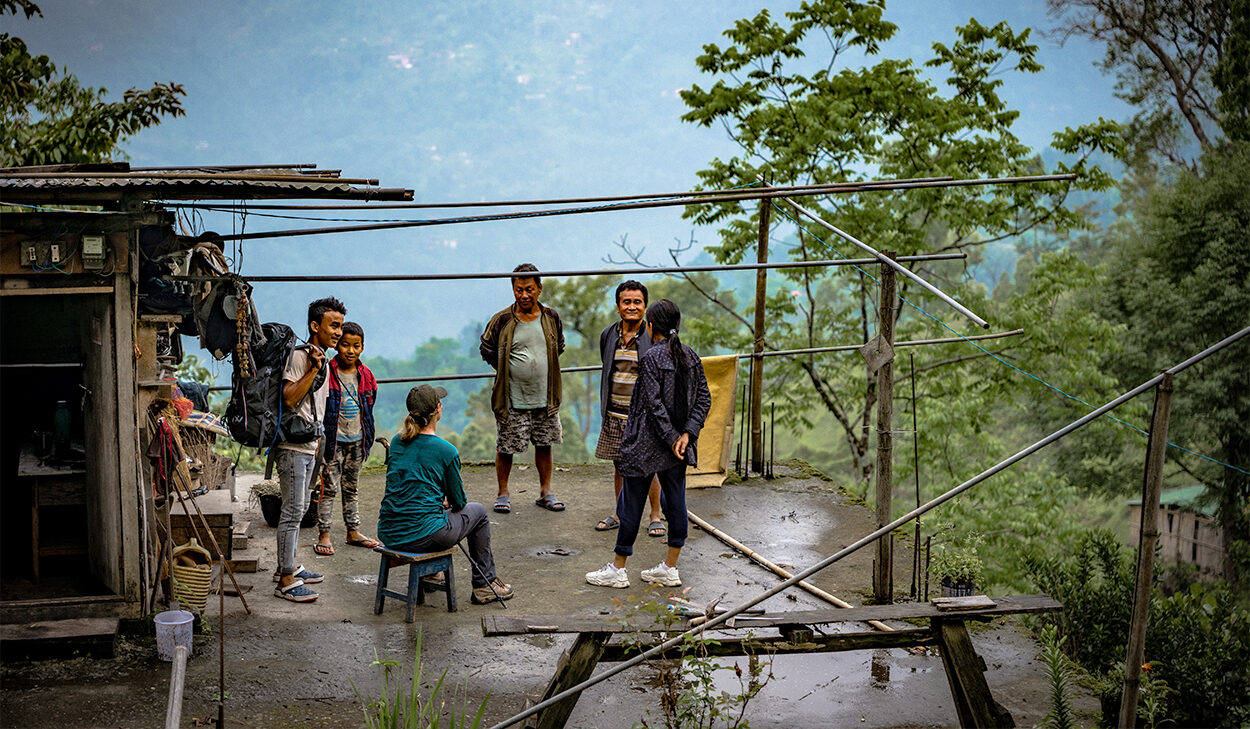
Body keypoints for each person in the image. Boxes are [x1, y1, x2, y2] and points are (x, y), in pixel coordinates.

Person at [586, 299, 711, 589]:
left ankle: (618, 569)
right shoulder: (691, 356)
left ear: (651, 326)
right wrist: (686, 436)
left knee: (630, 504)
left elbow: (652, 406)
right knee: (676, 502)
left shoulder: (652, 358)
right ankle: (670, 566)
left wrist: (670, 438)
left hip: (646, 446)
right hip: (678, 447)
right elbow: (704, 399)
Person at [378, 384, 514, 605]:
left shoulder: (396, 442)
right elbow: (460, 502)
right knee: (478, 512)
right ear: (438, 410)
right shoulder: (446, 450)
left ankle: (431, 573)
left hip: (389, 531)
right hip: (423, 535)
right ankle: (484, 584)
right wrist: (446, 499)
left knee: (435, 513)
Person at [479, 263, 567, 514]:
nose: (524, 295)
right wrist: (507, 368)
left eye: (529, 289)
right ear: (513, 290)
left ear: (539, 288)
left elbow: (559, 346)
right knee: (506, 446)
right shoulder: (503, 319)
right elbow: (486, 348)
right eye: (519, 290)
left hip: (545, 395)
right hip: (512, 397)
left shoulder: (551, 317)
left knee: (545, 443)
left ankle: (546, 492)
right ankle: (503, 493)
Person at [273, 296, 345, 603]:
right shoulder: (302, 357)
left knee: (301, 509)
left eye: (341, 325)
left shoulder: (321, 359)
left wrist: (319, 447)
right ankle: (286, 580)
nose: (339, 332)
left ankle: (285, 567)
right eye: (334, 325)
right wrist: (313, 371)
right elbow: (289, 398)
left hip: (307, 445)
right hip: (291, 446)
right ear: (315, 326)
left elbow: (318, 408)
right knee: (292, 512)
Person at [593, 280, 665, 537]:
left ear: (645, 307)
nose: (632, 307)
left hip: (644, 416)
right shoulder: (608, 335)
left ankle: (655, 514)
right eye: (627, 302)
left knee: (649, 466)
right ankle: (620, 513)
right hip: (615, 412)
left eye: (637, 302)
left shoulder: (654, 337)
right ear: (618, 306)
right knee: (620, 465)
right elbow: (608, 368)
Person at [315, 321, 379, 556]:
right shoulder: (327, 372)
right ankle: (325, 533)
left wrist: (367, 438)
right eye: (345, 345)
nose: (350, 351)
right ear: (336, 346)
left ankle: (353, 530)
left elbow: (369, 408)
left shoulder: (367, 375)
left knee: (351, 488)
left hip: (357, 441)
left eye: (356, 346)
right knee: (329, 488)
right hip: (334, 442)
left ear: (362, 348)